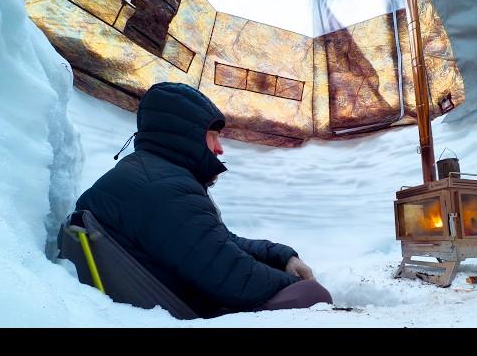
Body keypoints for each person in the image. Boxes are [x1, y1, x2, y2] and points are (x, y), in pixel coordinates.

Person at [73, 82, 332, 318]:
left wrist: (281, 257)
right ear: (185, 134)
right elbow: (234, 279)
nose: (219, 148)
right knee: (314, 296)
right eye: (213, 135)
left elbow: (221, 241)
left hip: (174, 292)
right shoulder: (162, 189)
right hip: (180, 310)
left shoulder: (149, 175)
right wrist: (297, 285)